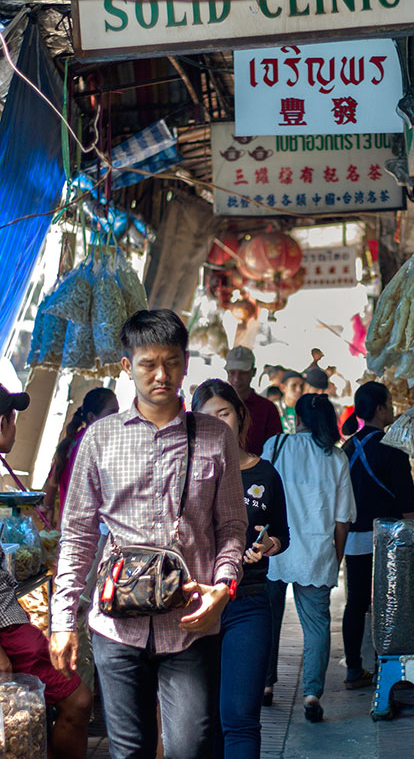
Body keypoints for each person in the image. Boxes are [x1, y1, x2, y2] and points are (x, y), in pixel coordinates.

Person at [50, 309, 248, 759]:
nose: (162, 375)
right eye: (148, 364)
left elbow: (232, 526)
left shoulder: (216, 437)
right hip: (116, 624)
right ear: (127, 366)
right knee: (129, 750)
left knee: (190, 746)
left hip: (192, 621)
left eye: (172, 362)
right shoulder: (99, 440)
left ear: (185, 362)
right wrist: (62, 621)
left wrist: (223, 585)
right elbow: (77, 535)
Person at [192, 379, 289, 759]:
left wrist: (270, 545)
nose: (217, 423)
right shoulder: (186, 474)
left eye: (224, 413)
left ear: (240, 415)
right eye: (207, 416)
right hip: (195, 606)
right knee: (203, 720)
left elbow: (282, 532)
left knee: (239, 718)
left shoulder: (265, 473)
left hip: (247, 603)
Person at [0, 385, 92, 759]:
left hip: (10, 620)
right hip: (5, 628)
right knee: (78, 700)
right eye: (14, 418)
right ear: (2, 422)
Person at [262, 393, 356, 723]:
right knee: (316, 626)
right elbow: (343, 517)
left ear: (297, 419)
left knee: (267, 620)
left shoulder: (275, 446)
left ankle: (266, 686)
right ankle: (312, 693)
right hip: (317, 552)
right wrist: (337, 554)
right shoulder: (336, 457)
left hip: (273, 551)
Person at [340, 381, 414, 689]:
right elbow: (408, 506)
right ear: (380, 408)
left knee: (356, 603)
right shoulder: (392, 450)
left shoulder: (346, 449)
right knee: (389, 603)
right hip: (390, 541)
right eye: (389, 403)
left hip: (354, 538)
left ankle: (354, 669)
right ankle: (386, 670)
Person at [42, 387, 119, 525]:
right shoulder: (94, 443)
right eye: (112, 413)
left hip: (72, 528)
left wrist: (48, 508)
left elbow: (51, 483)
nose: (118, 419)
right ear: (91, 417)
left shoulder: (73, 441)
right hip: (90, 531)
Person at [225, 346, 282, 455]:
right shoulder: (218, 406)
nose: (236, 378)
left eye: (243, 372)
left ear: (253, 372)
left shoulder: (267, 409)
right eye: (232, 372)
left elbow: (276, 449)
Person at [276, 370, 304, 434]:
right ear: (283, 388)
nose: (299, 390)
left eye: (301, 386)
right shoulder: (274, 408)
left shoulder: (306, 409)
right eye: (294, 385)